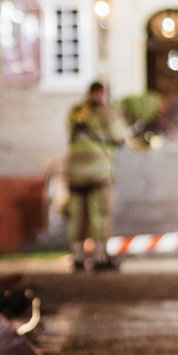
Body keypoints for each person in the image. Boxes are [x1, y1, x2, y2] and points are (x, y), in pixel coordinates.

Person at [66, 81, 129, 271]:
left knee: (77, 217)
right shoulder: (106, 112)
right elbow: (119, 137)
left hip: (75, 173)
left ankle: (77, 257)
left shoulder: (75, 112)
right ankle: (100, 257)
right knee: (100, 215)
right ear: (103, 93)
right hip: (99, 173)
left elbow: (70, 135)